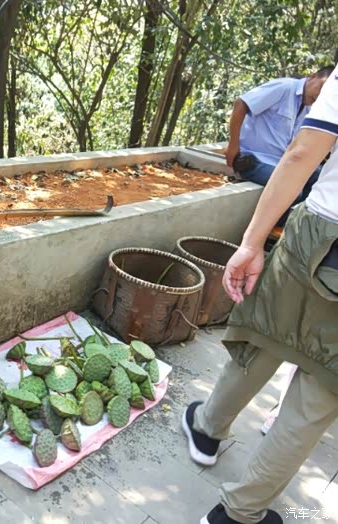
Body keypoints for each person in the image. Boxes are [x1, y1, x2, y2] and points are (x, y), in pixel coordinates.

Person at [182, 64, 338, 524]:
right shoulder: (284, 90)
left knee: (263, 336)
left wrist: (252, 243)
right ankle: (240, 512)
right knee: (317, 397)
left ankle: (207, 428)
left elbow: (302, 153)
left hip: (317, 232)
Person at [225, 66, 333, 210]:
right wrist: (233, 145)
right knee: (291, 190)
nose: (320, 96)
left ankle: (292, 218)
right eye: (321, 88)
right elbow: (241, 104)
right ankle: (275, 221)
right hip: (253, 159)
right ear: (313, 76)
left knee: (320, 177)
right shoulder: (284, 87)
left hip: (279, 163)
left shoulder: (310, 108)